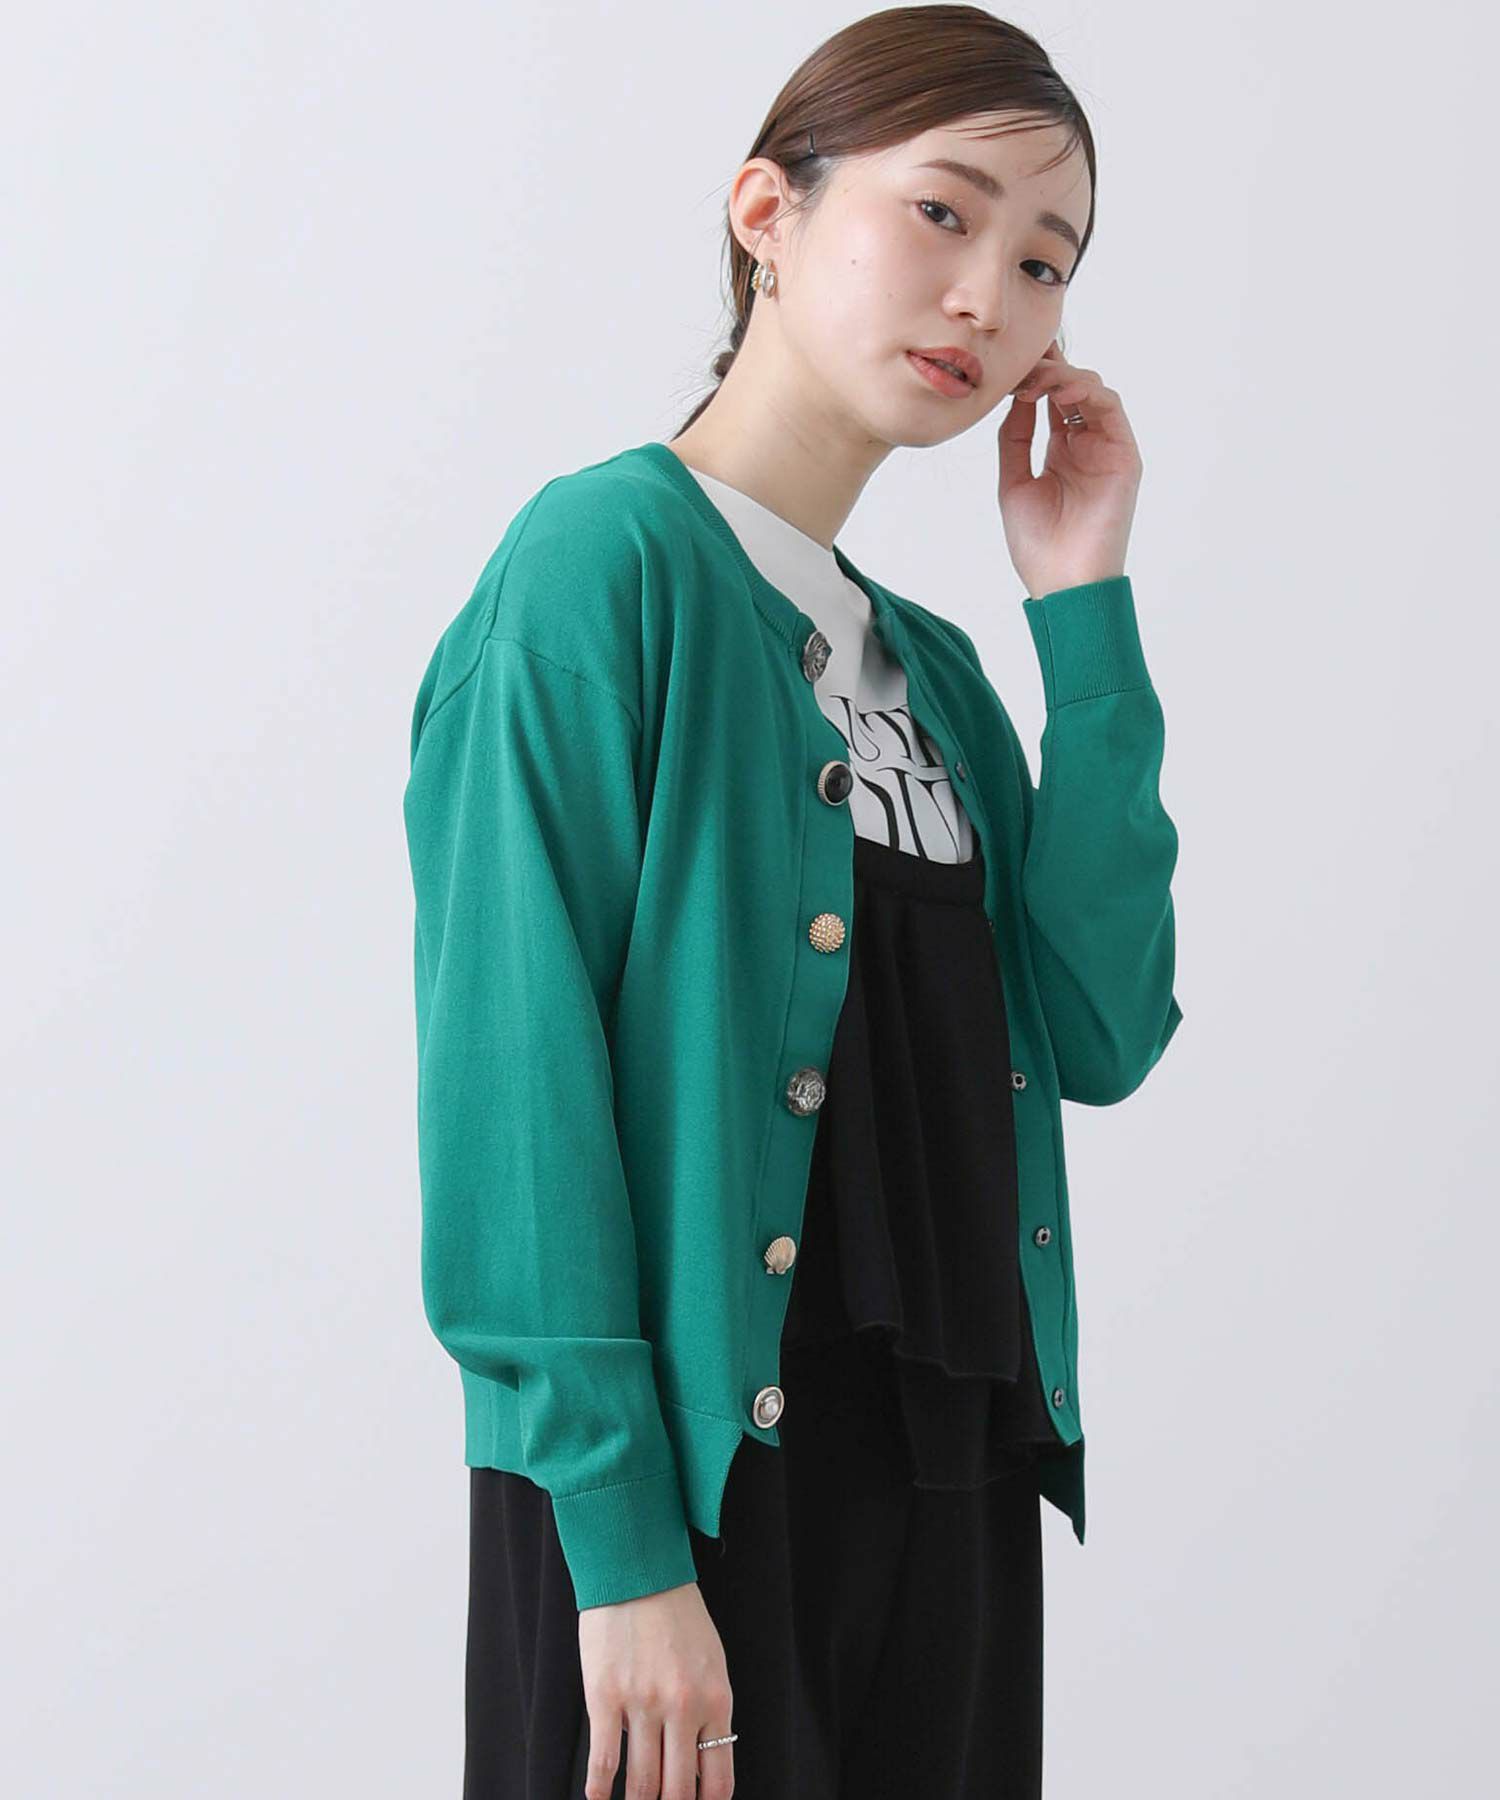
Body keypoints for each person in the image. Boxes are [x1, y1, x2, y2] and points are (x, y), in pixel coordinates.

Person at [402, 8, 1184, 1797]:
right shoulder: (602, 568)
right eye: (943, 212)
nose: (988, 294)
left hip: (952, 1482)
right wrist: (621, 1554)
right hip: (684, 1500)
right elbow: (515, 1086)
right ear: (768, 210)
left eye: (1044, 260)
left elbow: (1101, 1028)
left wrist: (1084, 612)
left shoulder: (938, 674)